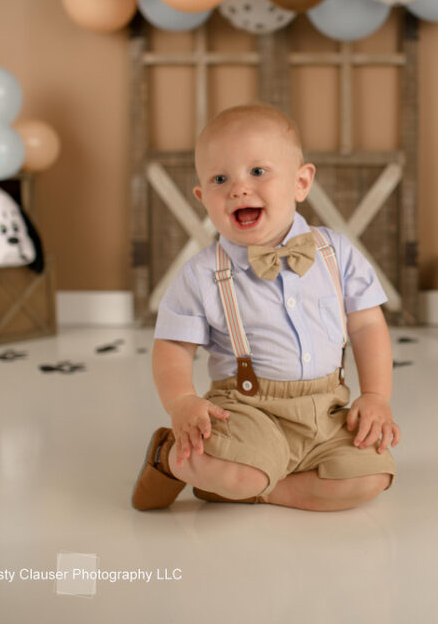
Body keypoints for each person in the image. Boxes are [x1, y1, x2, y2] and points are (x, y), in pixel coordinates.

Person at [132, 104, 399, 512]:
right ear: (204, 198)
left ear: (301, 181)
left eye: (258, 172)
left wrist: (377, 395)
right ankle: (171, 457)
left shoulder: (336, 253)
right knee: (228, 465)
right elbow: (172, 346)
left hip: (326, 409)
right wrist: (182, 402)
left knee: (373, 474)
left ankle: (260, 486)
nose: (239, 188)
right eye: (221, 179)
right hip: (245, 411)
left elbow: (367, 326)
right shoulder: (202, 273)